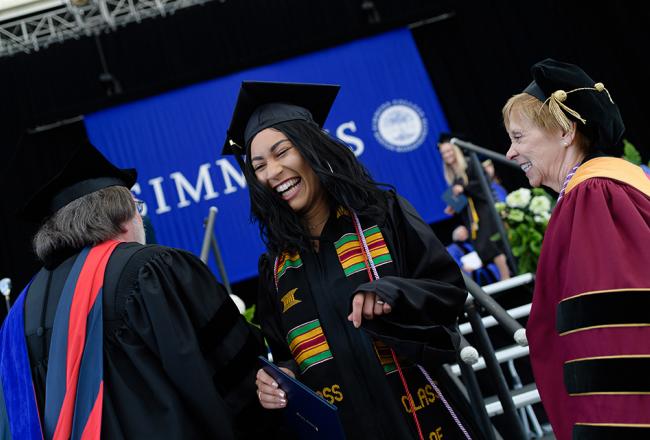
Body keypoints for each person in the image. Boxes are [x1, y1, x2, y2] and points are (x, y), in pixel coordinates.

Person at [222, 81, 483, 439]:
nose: (271, 172)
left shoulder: (381, 215)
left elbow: (447, 290)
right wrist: (277, 382)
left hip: (422, 418)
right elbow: (286, 357)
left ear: (311, 147)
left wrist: (392, 293)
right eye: (258, 166)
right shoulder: (277, 269)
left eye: (282, 151)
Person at [0, 123, 273, 439]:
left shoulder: (18, 315)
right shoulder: (150, 270)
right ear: (123, 215)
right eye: (138, 209)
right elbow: (233, 371)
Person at [502, 58, 650, 440]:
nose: (510, 153)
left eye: (518, 137)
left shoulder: (593, 197)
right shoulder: (611, 188)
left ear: (566, 131)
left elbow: (612, 332)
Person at [438, 134, 510, 281]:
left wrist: (463, 188)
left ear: (456, 151)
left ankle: (506, 277)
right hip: (472, 216)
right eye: (444, 153)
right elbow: (464, 198)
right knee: (483, 248)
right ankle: (503, 277)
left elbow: (483, 184)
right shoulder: (454, 174)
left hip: (484, 211)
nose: (447, 155)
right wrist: (453, 206)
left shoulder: (470, 164)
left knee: (492, 246)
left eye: (449, 151)